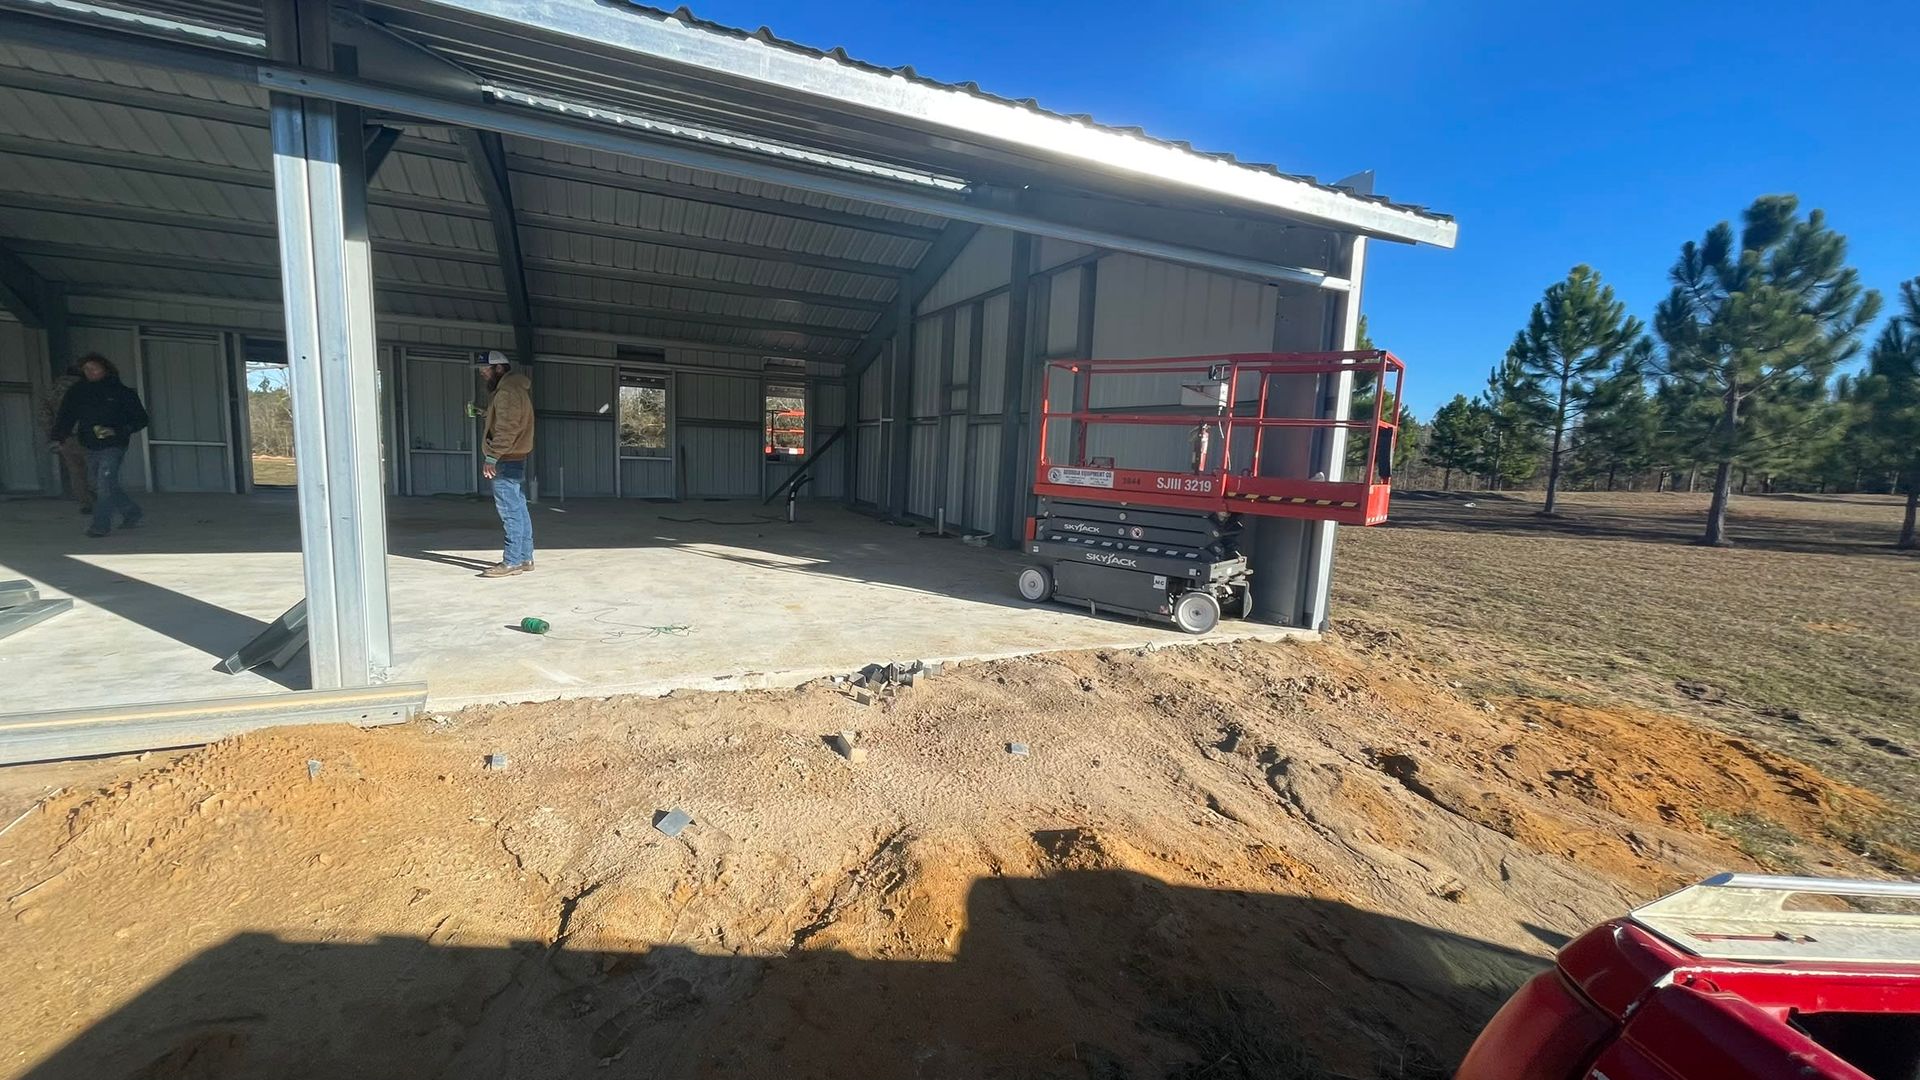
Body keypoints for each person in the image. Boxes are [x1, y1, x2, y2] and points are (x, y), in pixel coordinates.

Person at [49, 354, 148, 539]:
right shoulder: (78, 391)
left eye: (94, 368)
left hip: (114, 445)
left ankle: (100, 526)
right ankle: (132, 512)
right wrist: (58, 437)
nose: (90, 372)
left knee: (104, 484)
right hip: (89, 444)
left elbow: (141, 419)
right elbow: (66, 415)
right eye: (86, 369)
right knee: (102, 484)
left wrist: (118, 430)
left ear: (105, 369)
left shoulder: (122, 392)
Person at [475, 350, 535, 578]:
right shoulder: (514, 389)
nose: (482, 373)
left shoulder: (507, 392)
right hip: (514, 456)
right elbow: (508, 421)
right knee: (519, 508)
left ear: (499, 368)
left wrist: (492, 456)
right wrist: (486, 414)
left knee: (510, 511)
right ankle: (525, 557)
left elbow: (508, 428)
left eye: (486, 369)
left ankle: (512, 561)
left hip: (505, 458)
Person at [39, 362, 93, 515]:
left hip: (65, 437)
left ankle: (84, 503)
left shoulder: (52, 390)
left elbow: (44, 415)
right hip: (87, 436)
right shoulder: (87, 388)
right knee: (96, 468)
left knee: (75, 471)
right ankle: (102, 500)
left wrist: (52, 436)